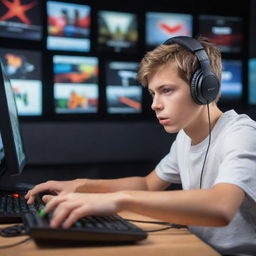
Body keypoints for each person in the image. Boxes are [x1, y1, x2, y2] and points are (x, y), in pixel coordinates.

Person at [25, 36, 256, 256]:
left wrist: (120, 199)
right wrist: (80, 186)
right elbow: (147, 184)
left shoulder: (241, 133)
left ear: (205, 88)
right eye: (153, 93)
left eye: (167, 90)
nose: (155, 104)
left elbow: (221, 207)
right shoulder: (185, 138)